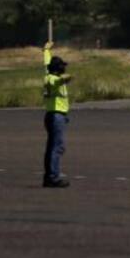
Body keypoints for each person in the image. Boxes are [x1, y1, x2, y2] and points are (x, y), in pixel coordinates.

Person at [42, 36, 73, 188]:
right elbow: (59, 81)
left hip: (52, 115)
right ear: (57, 69)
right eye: (62, 67)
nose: (64, 68)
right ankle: (53, 177)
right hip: (56, 116)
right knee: (57, 146)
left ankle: (49, 175)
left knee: (51, 147)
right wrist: (66, 79)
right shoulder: (53, 79)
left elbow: (46, 62)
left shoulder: (47, 74)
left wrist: (47, 49)